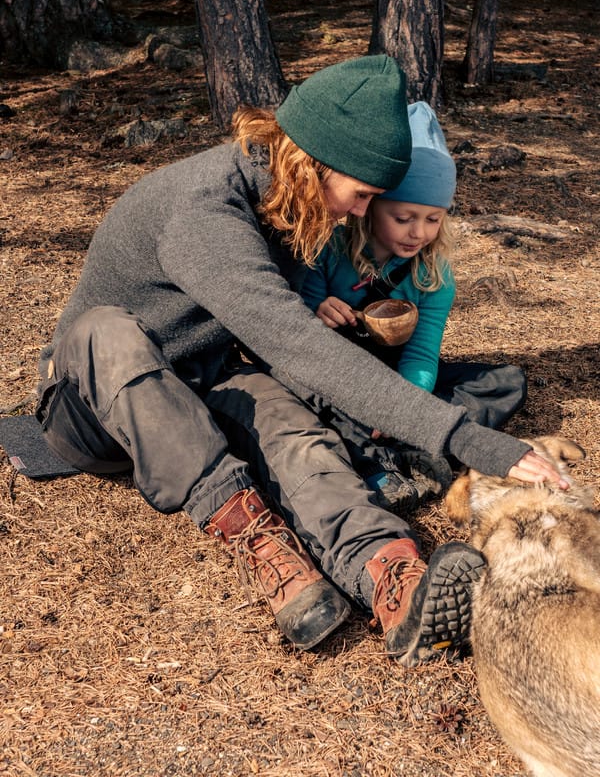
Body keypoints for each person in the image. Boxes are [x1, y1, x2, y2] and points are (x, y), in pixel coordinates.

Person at [34, 55, 565, 668]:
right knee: (107, 330)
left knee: (295, 433)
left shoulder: (288, 202)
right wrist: (469, 440)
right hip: (94, 403)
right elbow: (298, 345)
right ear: (315, 164)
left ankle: (394, 577)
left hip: (204, 373)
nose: (362, 212)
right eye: (362, 194)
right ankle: (256, 538)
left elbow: (291, 353)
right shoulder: (205, 211)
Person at [301, 101, 527, 512]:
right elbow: (297, 332)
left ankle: (413, 446)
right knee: (311, 405)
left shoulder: (433, 275)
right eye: (404, 217)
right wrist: (318, 309)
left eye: (433, 219)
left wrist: (403, 405)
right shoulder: (327, 252)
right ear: (370, 207)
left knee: (505, 381)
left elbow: (422, 354)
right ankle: (386, 461)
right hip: (341, 374)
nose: (418, 233)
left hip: (402, 378)